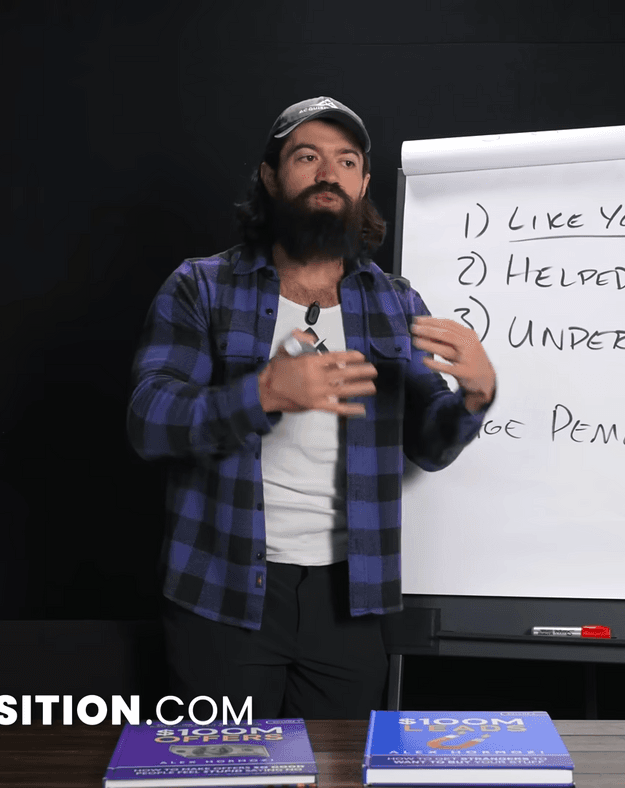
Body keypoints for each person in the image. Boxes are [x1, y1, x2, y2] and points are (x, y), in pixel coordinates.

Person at [127, 96, 496, 719]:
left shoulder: (395, 303)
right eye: (308, 156)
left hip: (350, 596)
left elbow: (429, 446)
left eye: (346, 161)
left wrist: (477, 395)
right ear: (272, 176)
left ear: (363, 185)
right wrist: (265, 392)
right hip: (224, 590)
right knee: (229, 773)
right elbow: (148, 420)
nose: (329, 173)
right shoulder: (200, 286)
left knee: (340, 771)